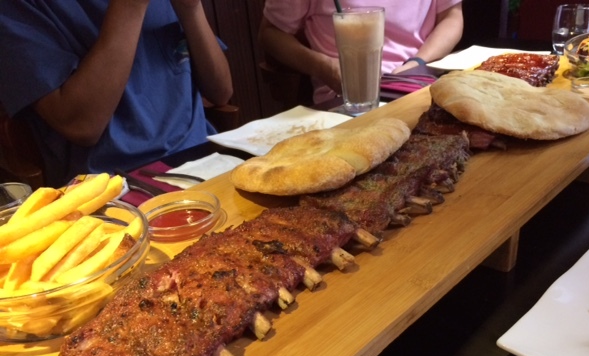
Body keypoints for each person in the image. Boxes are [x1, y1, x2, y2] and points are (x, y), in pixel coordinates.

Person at [0, 0, 233, 187]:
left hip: (204, 160)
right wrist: (130, 6)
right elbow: (82, 126)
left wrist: (191, 9)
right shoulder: (16, 9)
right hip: (112, 186)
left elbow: (221, 92)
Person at [259, 0, 463, 105]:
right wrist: (322, 66)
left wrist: (416, 63)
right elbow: (270, 33)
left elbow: (452, 16)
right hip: (347, 98)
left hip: (423, 81)